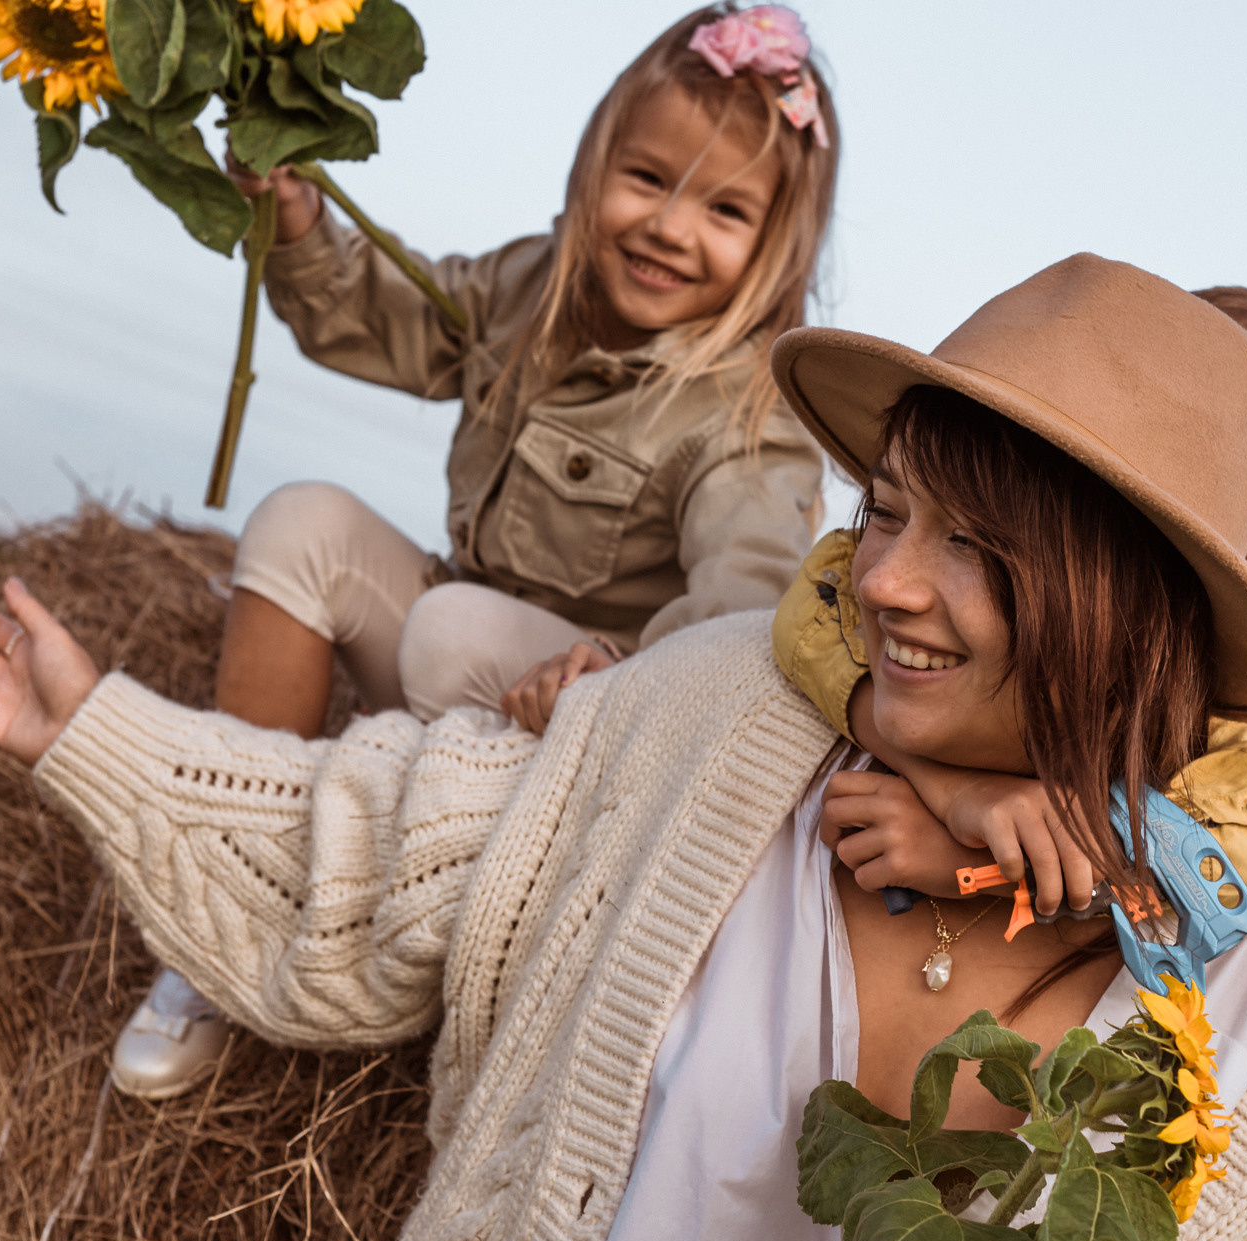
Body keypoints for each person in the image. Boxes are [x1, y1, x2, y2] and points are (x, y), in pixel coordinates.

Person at [0, 254, 1247, 1241]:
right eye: (884, 512)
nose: (880, 580)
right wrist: (98, 730)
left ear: (1131, 601)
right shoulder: (717, 723)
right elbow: (378, 856)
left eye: (972, 547)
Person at [116, 4, 842, 1097]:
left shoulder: (749, 413)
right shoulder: (529, 287)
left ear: (776, 242)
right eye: (645, 179)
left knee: (447, 628)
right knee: (301, 518)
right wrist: (304, 223)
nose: (669, 227)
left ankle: (406, 908)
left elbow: (746, 604)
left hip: (585, 735)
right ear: (594, 164)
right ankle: (228, 895)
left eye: (726, 209)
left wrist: (617, 671)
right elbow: (386, 315)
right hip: (457, 661)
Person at [774, 285, 1247, 931]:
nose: (886, 584)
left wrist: (979, 864)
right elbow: (815, 612)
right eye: (886, 514)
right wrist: (952, 786)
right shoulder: (773, 677)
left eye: (1216, 427)